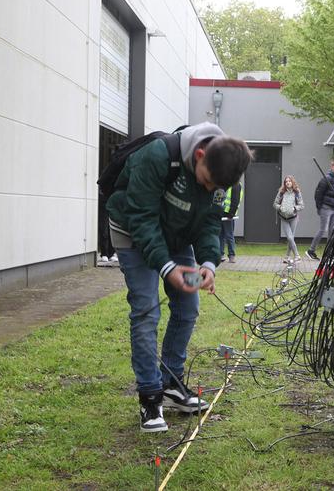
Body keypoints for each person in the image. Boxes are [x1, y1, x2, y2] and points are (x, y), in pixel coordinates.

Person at [106, 122, 252, 432]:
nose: (210, 190)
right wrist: (167, 268)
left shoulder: (220, 172)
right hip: (132, 231)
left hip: (177, 233)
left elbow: (211, 223)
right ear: (199, 155)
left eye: (217, 188)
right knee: (146, 311)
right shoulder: (157, 156)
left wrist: (209, 263)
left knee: (188, 307)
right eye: (207, 182)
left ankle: (171, 384)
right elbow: (142, 220)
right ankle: (150, 397)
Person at [306, 158, 334, 261]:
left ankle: (329, 254)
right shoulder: (327, 178)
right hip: (326, 207)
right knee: (323, 230)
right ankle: (311, 250)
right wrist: (319, 207)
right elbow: (318, 193)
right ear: (332, 167)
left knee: (332, 231)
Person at [273, 175, 305, 263]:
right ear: (284, 183)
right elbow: (275, 204)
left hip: (293, 218)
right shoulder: (281, 192)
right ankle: (297, 255)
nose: (288, 182)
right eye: (286, 181)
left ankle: (287, 257)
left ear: (292, 182)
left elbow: (302, 205)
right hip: (284, 218)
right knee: (290, 238)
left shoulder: (297, 193)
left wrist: (295, 208)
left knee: (291, 238)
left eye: (289, 181)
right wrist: (280, 207)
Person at [219, 182, 242, 263]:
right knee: (220, 235)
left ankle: (231, 255)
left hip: (228, 214)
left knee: (229, 235)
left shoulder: (235, 184)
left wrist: (231, 213)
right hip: (220, 212)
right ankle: (220, 255)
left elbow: (235, 200)